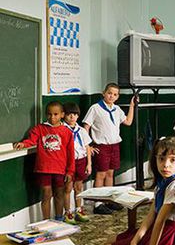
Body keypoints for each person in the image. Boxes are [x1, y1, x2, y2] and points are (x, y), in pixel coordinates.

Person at [13, 101, 75, 220]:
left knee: (59, 194)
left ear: (62, 114)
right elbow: (31, 140)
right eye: (49, 114)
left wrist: (70, 171)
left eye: (56, 114)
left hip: (60, 169)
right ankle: (46, 221)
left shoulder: (67, 132)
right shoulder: (40, 129)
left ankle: (59, 218)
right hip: (44, 168)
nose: (52, 117)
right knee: (46, 194)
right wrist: (23, 144)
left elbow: (70, 154)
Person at [82, 83, 136, 214]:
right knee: (101, 174)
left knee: (110, 173)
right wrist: (88, 145)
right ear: (104, 93)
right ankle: (98, 203)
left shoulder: (117, 109)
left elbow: (128, 122)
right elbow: (86, 126)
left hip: (114, 146)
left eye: (115, 94)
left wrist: (132, 106)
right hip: (101, 146)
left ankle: (108, 200)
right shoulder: (95, 108)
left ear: (118, 97)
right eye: (109, 93)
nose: (112, 96)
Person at [62, 102, 93, 224]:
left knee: (79, 187)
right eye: (69, 114)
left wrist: (89, 164)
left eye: (75, 115)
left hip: (81, 161)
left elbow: (87, 147)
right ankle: (67, 212)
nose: (72, 117)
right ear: (64, 115)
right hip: (68, 162)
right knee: (68, 187)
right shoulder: (62, 130)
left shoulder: (81, 130)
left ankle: (79, 210)